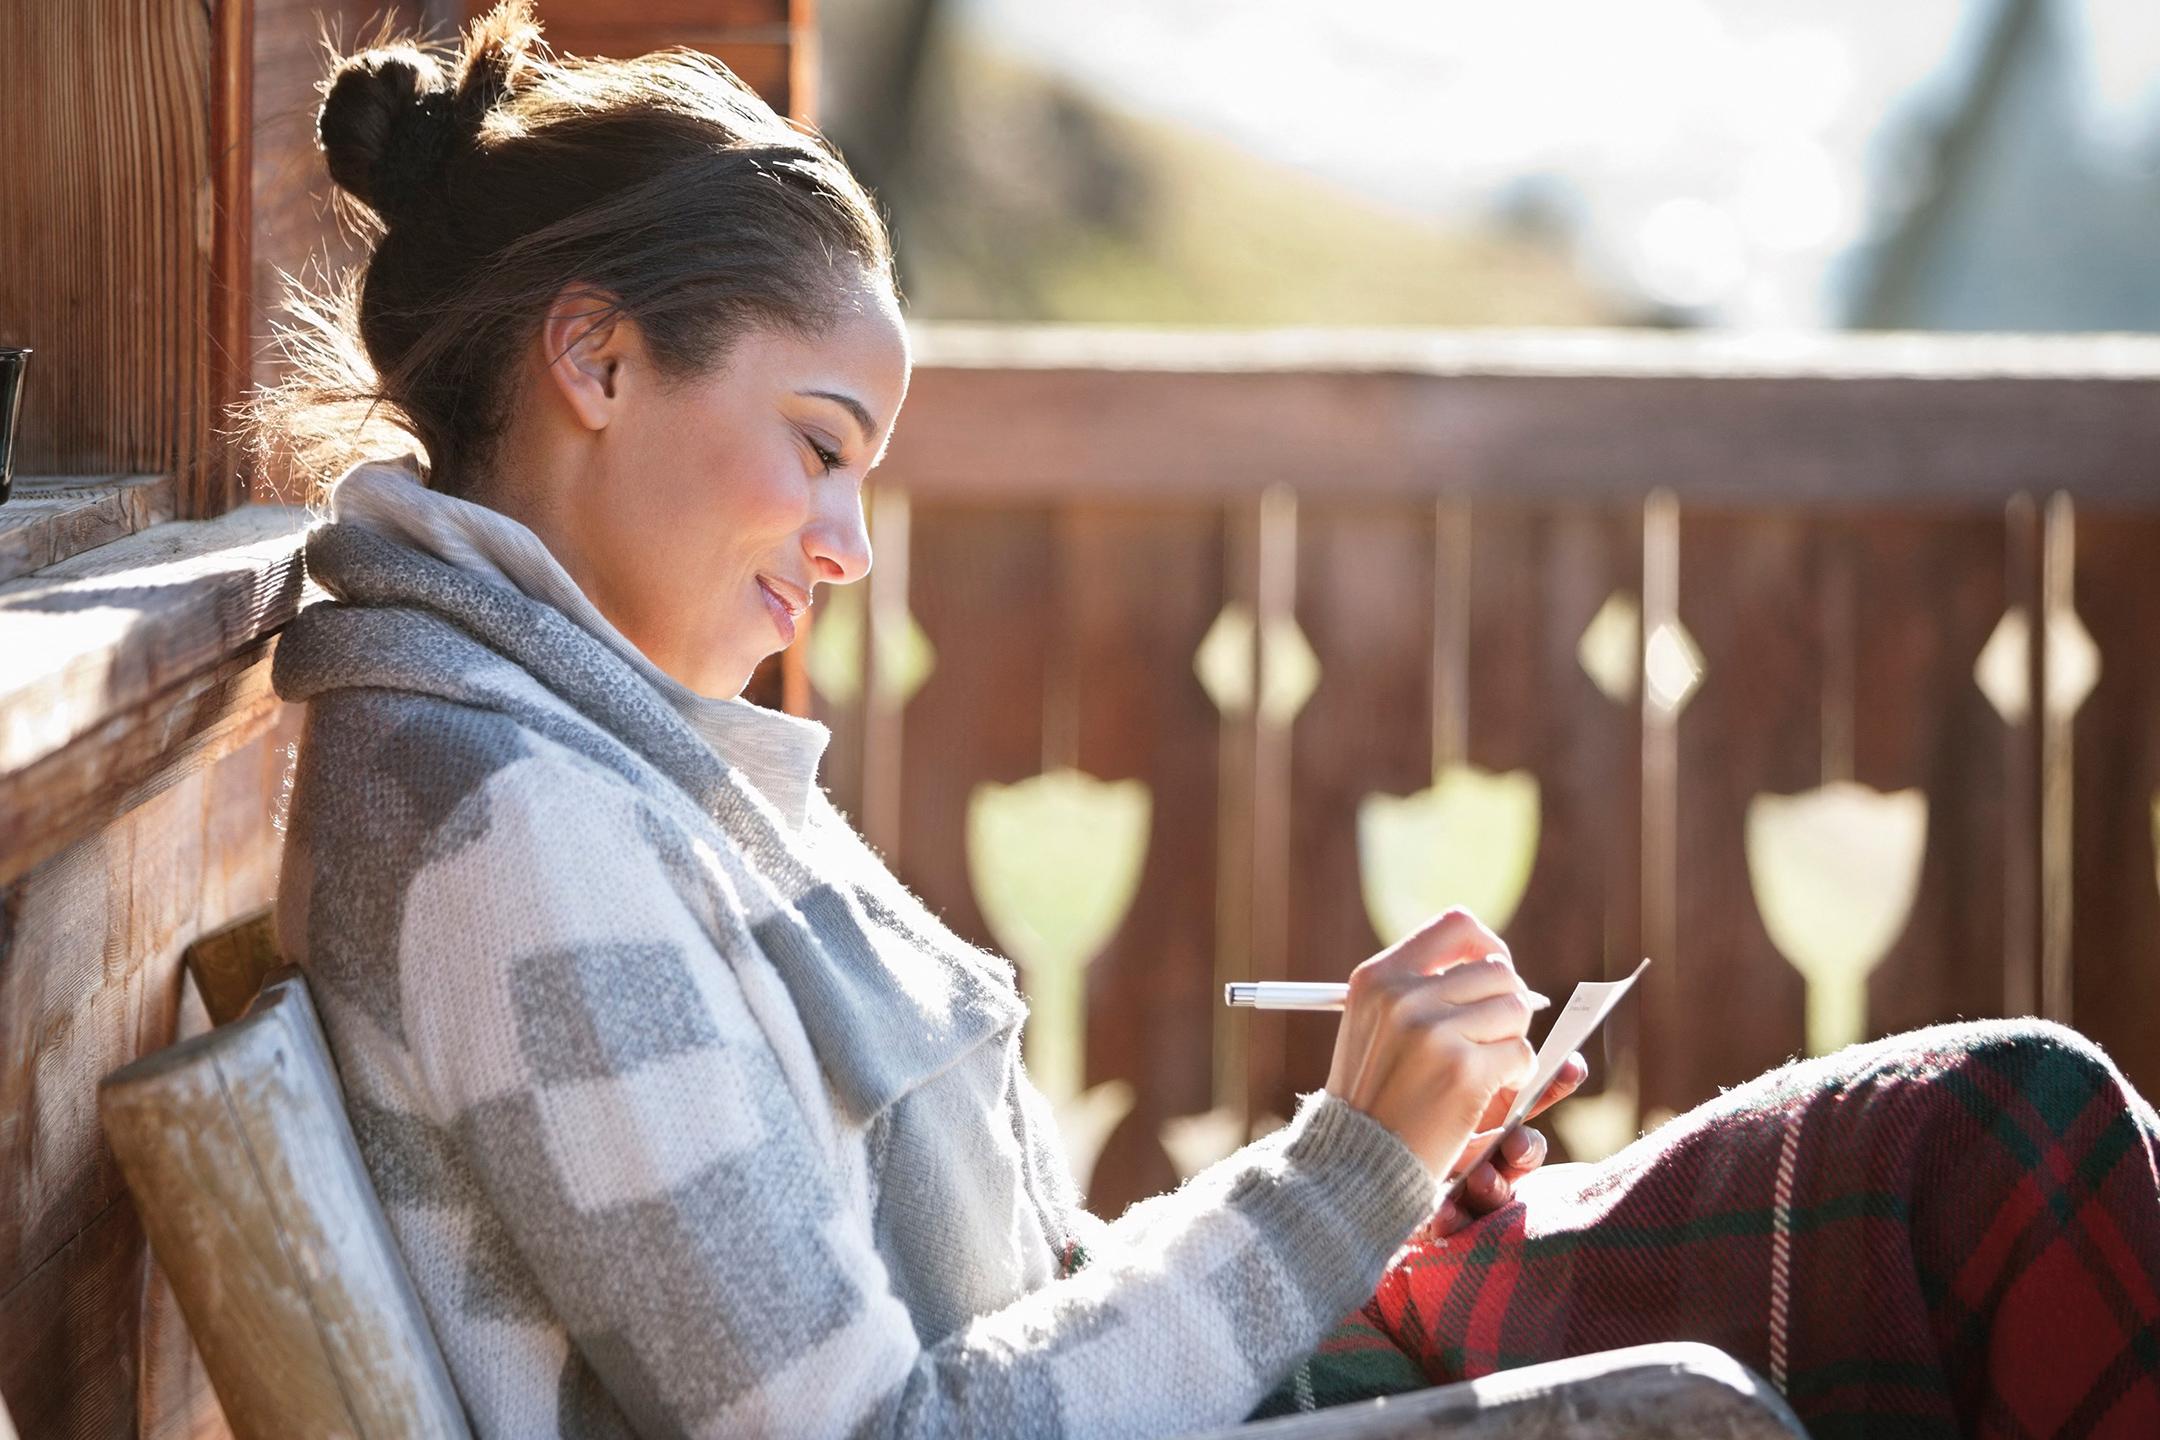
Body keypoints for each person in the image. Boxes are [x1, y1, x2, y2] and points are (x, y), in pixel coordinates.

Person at [251, 5, 2160, 1437]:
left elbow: (1000, 1303)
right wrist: (1342, 1179)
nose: (844, 547)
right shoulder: (507, 830)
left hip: (1249, 1383)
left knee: (1994, 1147)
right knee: (2001, 1168)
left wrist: (1386, 1168)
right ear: (595, 358)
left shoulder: (596, 755)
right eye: (820, 451)